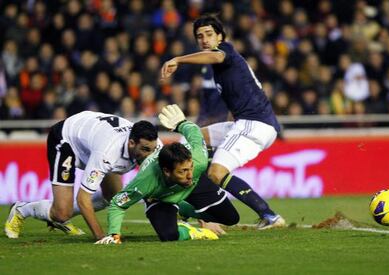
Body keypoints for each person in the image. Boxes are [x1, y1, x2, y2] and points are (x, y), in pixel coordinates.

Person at [160, 15, 286, 229]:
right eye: (199, 36)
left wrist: (178, 59)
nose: (204, 39)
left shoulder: (225, 51)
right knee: (193, 138)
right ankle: (195, 202)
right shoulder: (223, 71)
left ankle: (270, 215)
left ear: (220, 36)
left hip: (254, 123)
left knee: (217, 172)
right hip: (246, 122)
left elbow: (216, 57)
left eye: (209, 34)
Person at [95, 105, 239, 244]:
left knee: (231, 218)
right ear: (166, 171)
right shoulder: (145, 181)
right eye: (182, 171)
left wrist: (181, 124)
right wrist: (114, 235)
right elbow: (117, 204)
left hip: (194, 186)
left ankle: (182, 211)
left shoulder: (198, 161)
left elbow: (194, 132)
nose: (189, 175)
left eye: (190, 168)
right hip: (160, 198)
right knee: (168, 235)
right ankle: (192, 232)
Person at [4, 111, 159, 240]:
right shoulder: (108, 153)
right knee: (61, 212)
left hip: (92, 139)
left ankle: (61, 219)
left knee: (114, 197)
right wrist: (101, 236)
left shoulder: (152, 145)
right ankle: (22, 209)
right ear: (131, 143)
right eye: (145, 150)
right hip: (67, 140)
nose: (150, 155)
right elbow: (83, 199)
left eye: (152, 150)